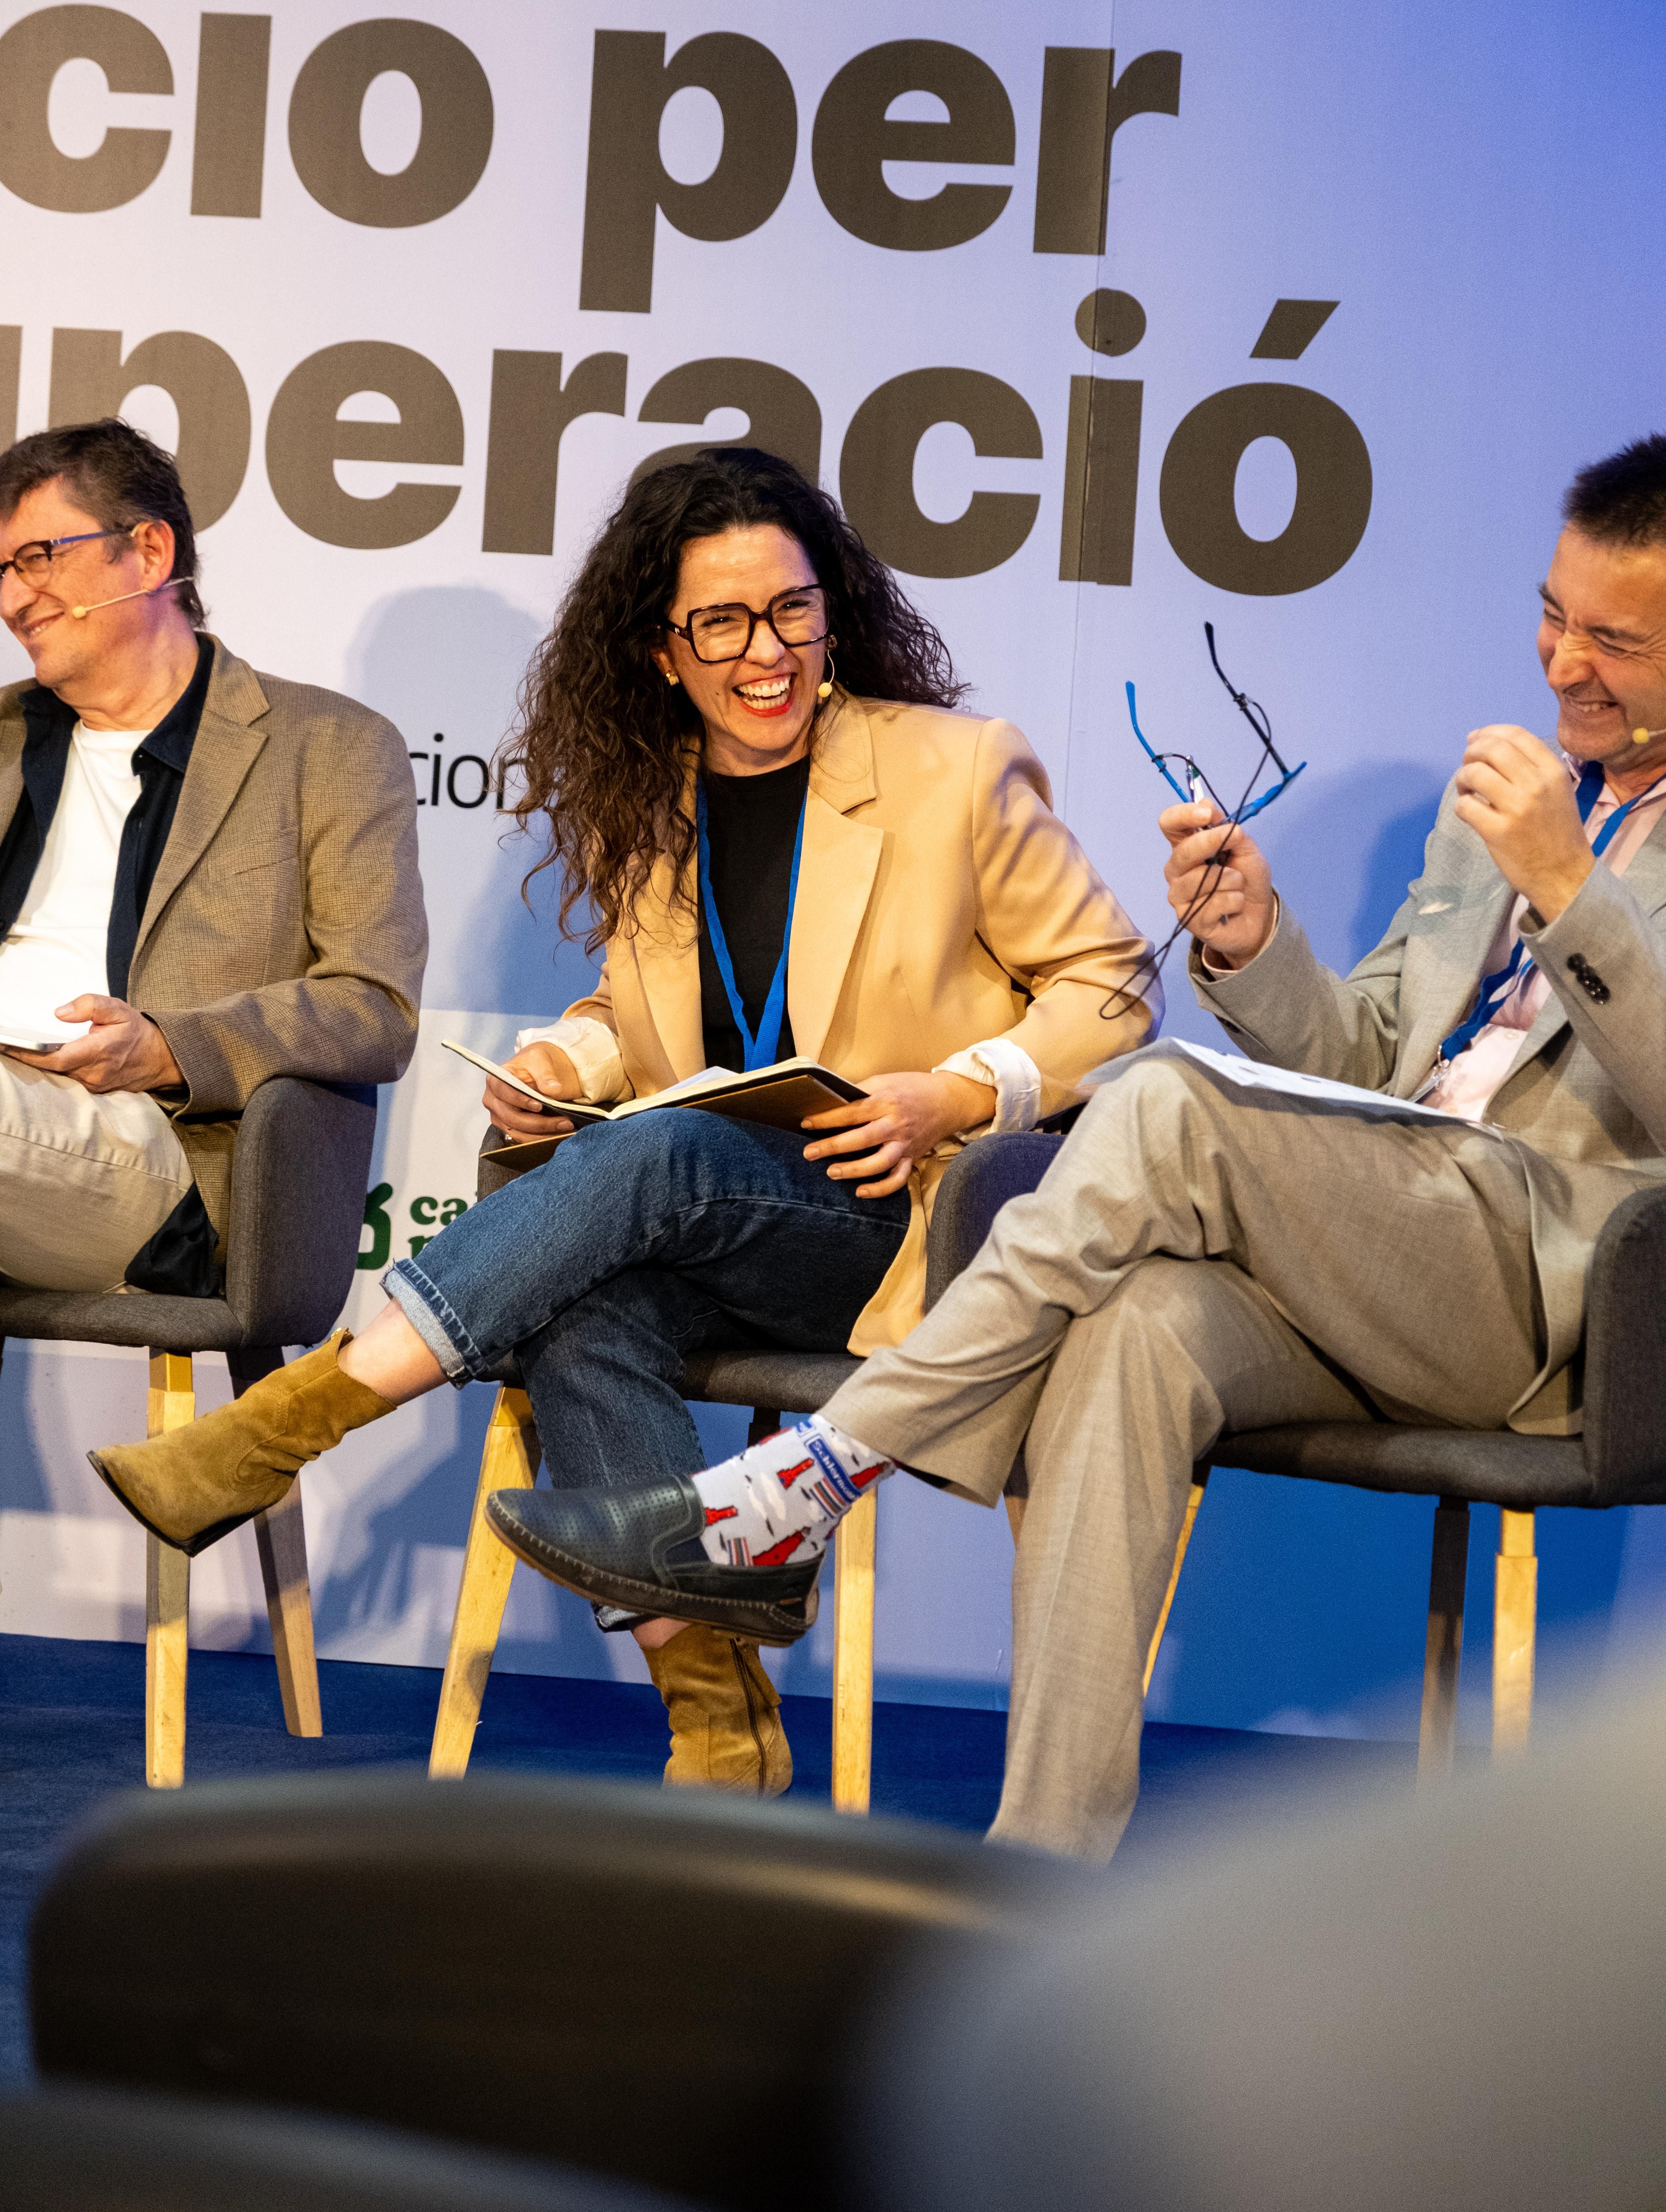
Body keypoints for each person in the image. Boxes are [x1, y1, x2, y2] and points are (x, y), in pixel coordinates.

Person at [453, 432, 1666, 1860]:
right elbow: (1368, 1062)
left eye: (1617, 642)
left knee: (1155, 1095)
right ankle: (1041, 1863)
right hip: (1385, 1238)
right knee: (1133, 1332)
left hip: (1547, 1291)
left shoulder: (1544, 835)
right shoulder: (1517, 804)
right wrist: (1254, 944)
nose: (1562, 665)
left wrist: (1574, 892)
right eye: (1551, 615)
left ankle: (823, 1471)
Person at [92, 445, 1160, 1796]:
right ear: (662, 651)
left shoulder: (955, 769)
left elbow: (1113, 987)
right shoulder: (655, 804)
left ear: (834, 613)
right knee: (582, 1311)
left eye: (790, 609)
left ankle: (289, 1424)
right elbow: (645, 1015)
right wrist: (564, 1059)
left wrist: (955, 1090)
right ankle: (722, 1723)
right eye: (720, 622)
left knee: (654, 1155)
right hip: (729, 1216)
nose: (762, 651)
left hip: (904, 1221)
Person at [0, 417, 424, 1298]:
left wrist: (168, 1047)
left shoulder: (328, 747)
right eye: (4, 570)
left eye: (39, 557)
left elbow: (374, 1006)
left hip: (162, 1153)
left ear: (148, 553)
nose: (13, 597)